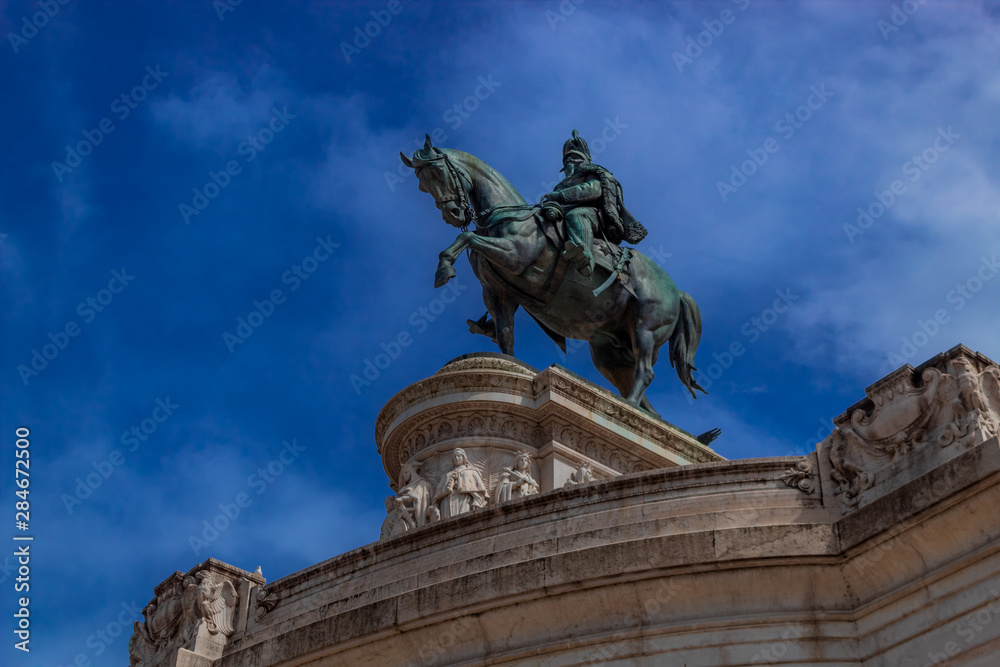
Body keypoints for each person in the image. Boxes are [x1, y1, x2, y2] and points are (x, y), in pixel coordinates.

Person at [542, 129, 647, 276]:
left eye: (573, 157)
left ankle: (584, 256)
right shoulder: (562, 183)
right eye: (567, 160)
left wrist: (560, 195)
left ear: (583, 158)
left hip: (594, 215)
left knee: (577, 215)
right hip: (561, 212)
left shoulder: (592, 171)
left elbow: (594, 190)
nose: (569, 162)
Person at [432, 448, 488, 518]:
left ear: (464, 457)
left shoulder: (472, 472)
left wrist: (476, 502)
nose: (456, 458)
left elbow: (480, 491)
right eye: (455, 456)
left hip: (464, 499)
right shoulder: (446, 475)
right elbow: (437, 496)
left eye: (459, 456)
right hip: (447, 502)